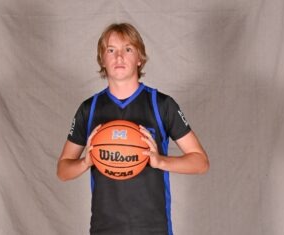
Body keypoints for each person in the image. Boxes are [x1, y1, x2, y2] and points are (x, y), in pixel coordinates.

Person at [57, 22, 209, 235]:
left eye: (127, 49)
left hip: (153, 228)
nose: (119, 57)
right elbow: (63, 170)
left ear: (140, 58)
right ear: (102, 59)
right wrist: (86, 161)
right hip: (104, 228)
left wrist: (160, 161)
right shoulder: (89, 109)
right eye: (111, 50)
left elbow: (200, 162)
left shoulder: (161, 104)